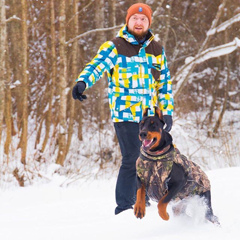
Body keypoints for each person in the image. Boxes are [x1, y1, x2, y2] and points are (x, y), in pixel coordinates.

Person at [72, 3, 174, 215]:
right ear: (128, 21)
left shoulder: (157, 50)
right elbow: (96, 65)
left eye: (143, 19)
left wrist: (167, 112)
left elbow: (164, 85)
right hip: (125, 113)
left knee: (150, 159)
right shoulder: (114, 46)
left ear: (149, 23)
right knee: (132, 157)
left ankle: (143, 202)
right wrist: (82, 82)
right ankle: (125, 208)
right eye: (134, 19)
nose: (139, 22)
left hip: (149, 118)